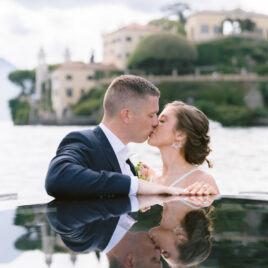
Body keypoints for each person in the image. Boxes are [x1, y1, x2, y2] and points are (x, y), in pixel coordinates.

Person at [45, 75, 194, 199]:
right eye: (151, 115)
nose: (156, 122)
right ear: (126, 115)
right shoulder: (84, 141)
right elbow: (58, 177)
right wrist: (137, 185)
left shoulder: (126, 162)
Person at [142, 101, 219, 195]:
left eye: (162, 121)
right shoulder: (150, 177)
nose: (154, 124)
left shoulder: (202, 181)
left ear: (180, 134)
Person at [149, 196, 215, 267]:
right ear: (182, 239)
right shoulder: (188, 191)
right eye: (165, 252)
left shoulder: (161, 198)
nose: (157, 251)